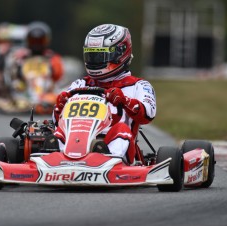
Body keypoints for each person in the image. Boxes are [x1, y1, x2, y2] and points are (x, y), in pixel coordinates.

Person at [52, 24, 156, 165]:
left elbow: (148, 114)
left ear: (120, 53)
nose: (95, 61)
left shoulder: (139, 86)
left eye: (100, 55)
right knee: (58, 131)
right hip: (77, 141)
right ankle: (55, 158)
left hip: (116, 147)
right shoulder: (80, 84)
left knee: (121, 129)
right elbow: (56, 121)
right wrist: (59, 107)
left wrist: (124, 101)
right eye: (92, 55)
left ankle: (107, 157)